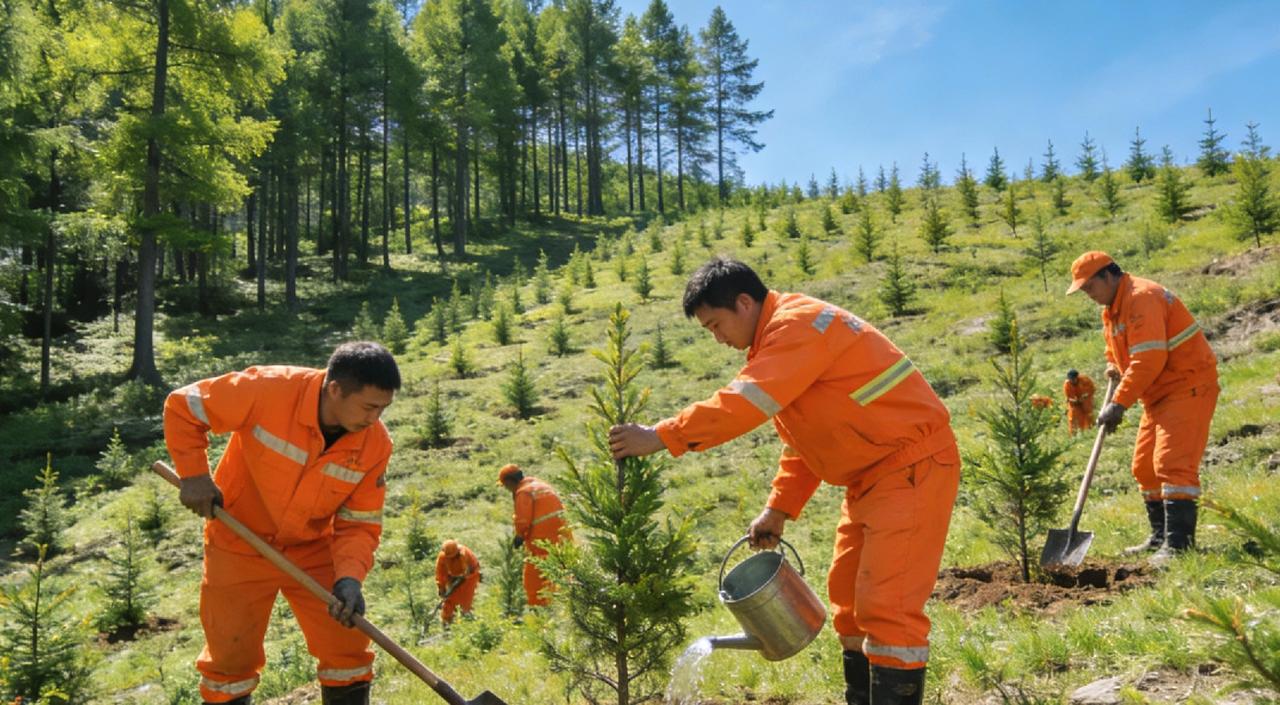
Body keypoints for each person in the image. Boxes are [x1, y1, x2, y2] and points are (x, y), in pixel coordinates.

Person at [608, 257, 960, 705]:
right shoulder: (780, 341)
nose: (717, 339)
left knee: (886, 608)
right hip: (869, 479)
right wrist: (779, 508)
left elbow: (741, 405)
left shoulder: (798, 326)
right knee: (849, 605)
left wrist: (661, 435)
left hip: (910, 469)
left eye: (716, 325)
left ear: (744, 302)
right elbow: (809, 440)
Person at [164, 341, 400, 705]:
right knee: (230, 657)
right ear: (334, 389)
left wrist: (349, 578)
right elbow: (184, 406)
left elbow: (359, 522)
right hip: (237, 540)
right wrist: (194, 475)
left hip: (312, 547)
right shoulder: (268, 389)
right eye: (369, 407)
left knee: (346, 643)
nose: (375, 419)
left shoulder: (375, 445)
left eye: (383, 409)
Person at [1066, 251, 1218, 562]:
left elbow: (1149, 359)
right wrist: (1113, 365)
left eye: (1089, 287)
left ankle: (1179, 546)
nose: (1088, 295)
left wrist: (1119, 403)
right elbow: (1118, 349)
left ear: (1108, 276)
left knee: (1172, 464)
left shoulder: (1142, 299)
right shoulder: (1112, 309)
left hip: (1186, 386)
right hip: (1158, 395)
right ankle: (1160, 537)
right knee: (1144, 468)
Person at [498, 463, 571, 606]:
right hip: (563, 533)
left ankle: (540, 607)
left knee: (535, 574)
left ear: (509, 482)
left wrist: (519, 536)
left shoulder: (523, 492)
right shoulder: (540, 484)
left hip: (542, 537)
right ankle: (567, 602)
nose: (507, 489)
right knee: (563, 566)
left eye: (506, 486)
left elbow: (523, 519)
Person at [435, 539, 481, 625]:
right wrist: (441, 587)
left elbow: (470, 571)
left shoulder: (464, 554)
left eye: (453, 557)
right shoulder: (443, 557)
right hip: (454, 577)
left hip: (470, 578)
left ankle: (466, 621)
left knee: (464, 601)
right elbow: (440, 573)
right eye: (449, 557)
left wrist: (460, 579)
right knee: (448, 601)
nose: (451, 559)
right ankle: (446, 623)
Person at [1063, 369, 1097, 435]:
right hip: (1075, 404)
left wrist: (1085, 396)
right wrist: (1075, 400)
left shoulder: (1085, 380)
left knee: (1088, 415)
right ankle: (1073, 434)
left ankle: (1091, 430)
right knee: (1073, 418)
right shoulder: (1067, 384)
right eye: (1070, 379)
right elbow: (1069, 397)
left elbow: (1092, 389)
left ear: (1077, 377)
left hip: (1086, 400)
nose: (1072, 381)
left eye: (1073, 379)